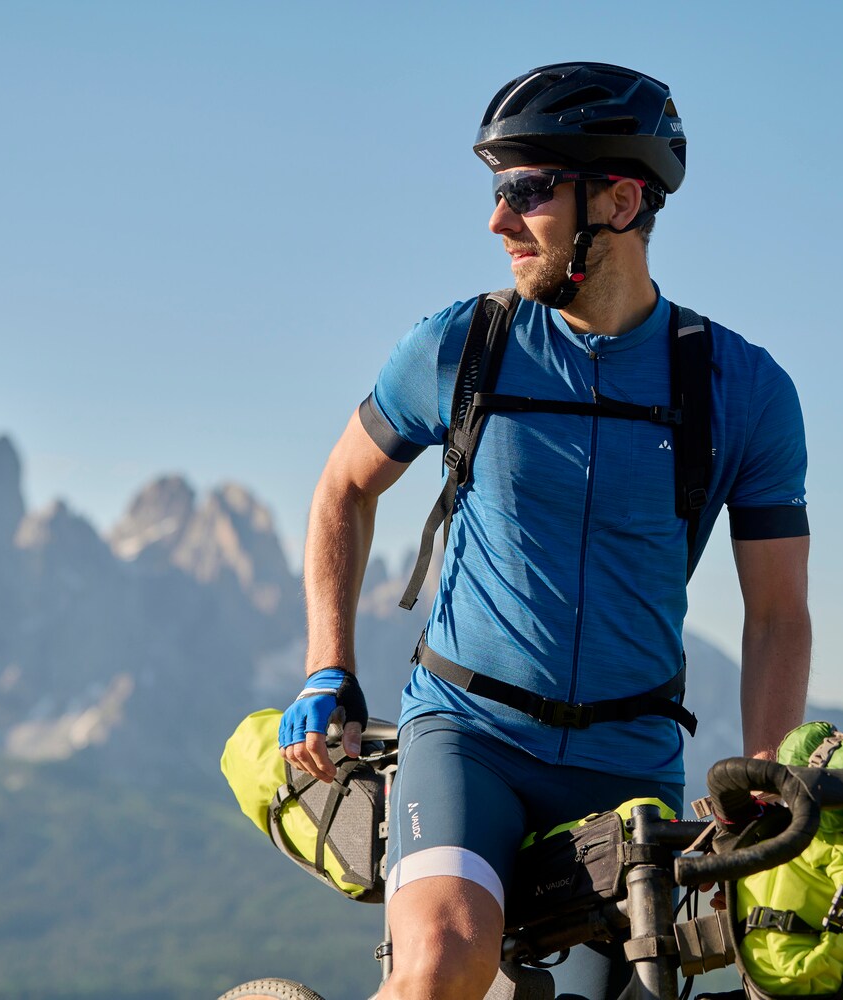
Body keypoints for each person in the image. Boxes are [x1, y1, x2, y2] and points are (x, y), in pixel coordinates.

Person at [280, 62, 811, 1000]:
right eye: (497, 191)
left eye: (527, 192)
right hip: (468, 737)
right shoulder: (461, 346)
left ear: (619, 197)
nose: (497, 222)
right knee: (443, 960)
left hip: (632, 762)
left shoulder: (745, 391)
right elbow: (340, 491)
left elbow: (776, 614)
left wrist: (763, 773)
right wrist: (330, 665)